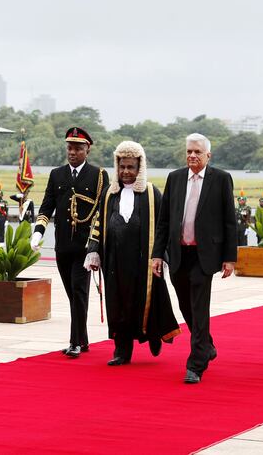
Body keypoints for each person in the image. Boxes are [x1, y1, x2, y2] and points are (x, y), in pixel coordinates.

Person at [151, 133, 237, 384]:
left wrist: (229, 258)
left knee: (199, 307)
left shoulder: (220, 179)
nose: (192, 156)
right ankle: (207, 345)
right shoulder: (175, 178)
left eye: (197, 152)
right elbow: (164, 220)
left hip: (205, 255)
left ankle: (196, 364)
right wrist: (158, 254)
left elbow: (230, 221)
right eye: (189, 151)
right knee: (185, 305)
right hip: (179, 253)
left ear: (208, 155)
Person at [85, 141, 181, 366]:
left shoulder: (151, 192)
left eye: (131, 167)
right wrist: (93, 251)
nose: (126, 172)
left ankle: (154, 335)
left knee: (150, 300)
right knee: (118, 305)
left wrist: (162, 256)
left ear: (140, 168)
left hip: (144, 261)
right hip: (115, 261)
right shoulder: (109, 194)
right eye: (122, 167)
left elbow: (162, 226)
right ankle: (122, 350)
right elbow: (98, 223)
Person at [30, 127, 109, 358]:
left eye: (77, 148)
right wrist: (38, 232)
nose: (72, 152)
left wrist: (98, 247)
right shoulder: (57, 174)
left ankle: (75, 342)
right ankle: (83, 339)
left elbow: (103, 211)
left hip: (85, 248)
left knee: (78, 290)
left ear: (87, 149)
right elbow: (47, 207)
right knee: (73, 294)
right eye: (69, 148)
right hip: (63, 245)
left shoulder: (99, 176)